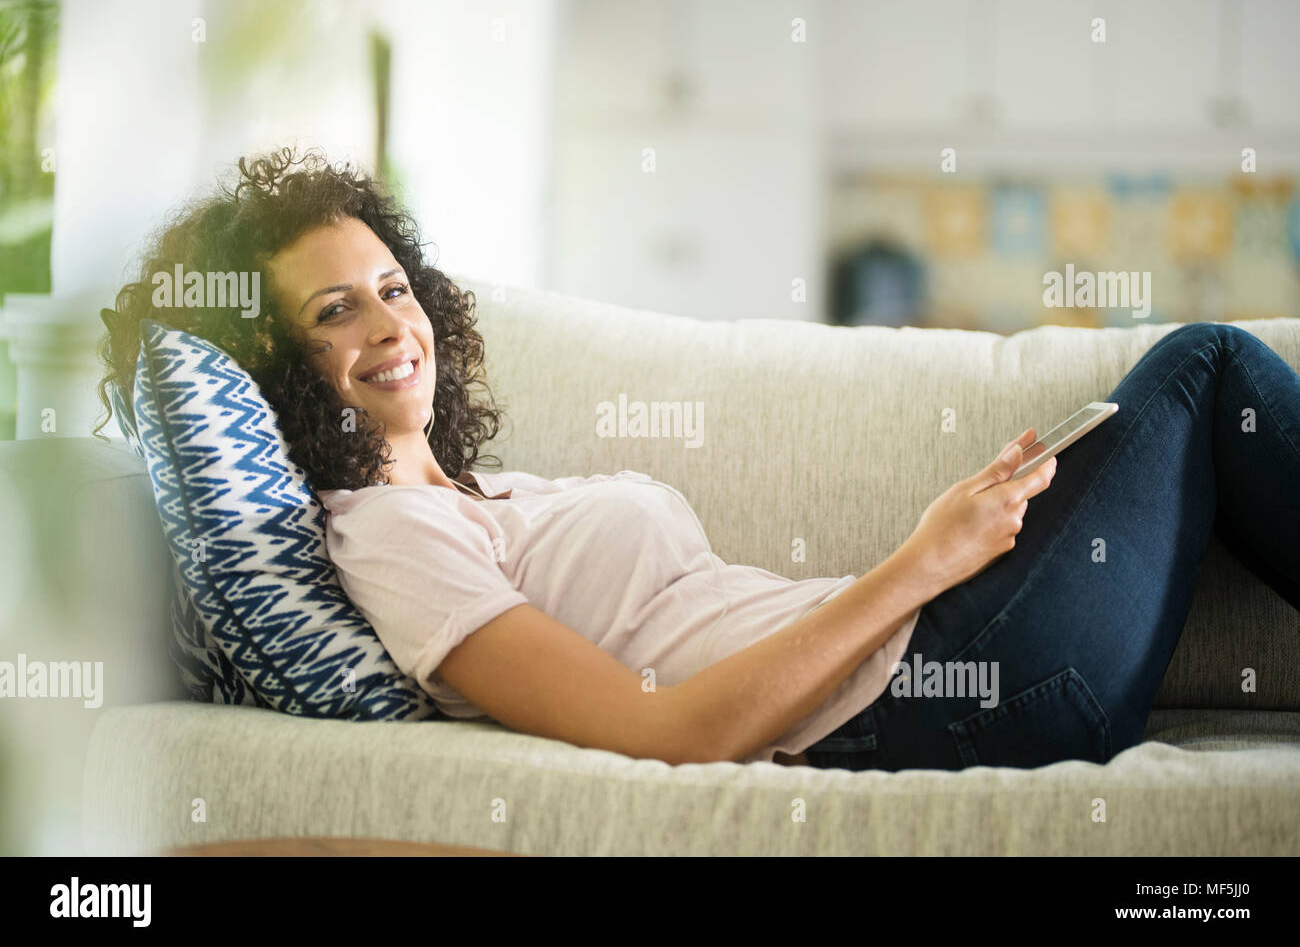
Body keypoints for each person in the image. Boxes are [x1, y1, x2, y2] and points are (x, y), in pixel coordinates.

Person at [97, 148, 1300, 772]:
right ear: (270, 361)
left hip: (961, 654)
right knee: (1203, 368)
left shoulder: (479, 493)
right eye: (331, 313)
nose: (386, 329)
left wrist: (947, 557)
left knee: (1186, 392)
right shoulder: (391, 537)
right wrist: (919, 564)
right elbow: (663, 732)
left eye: (393, 290)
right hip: (948, 696)